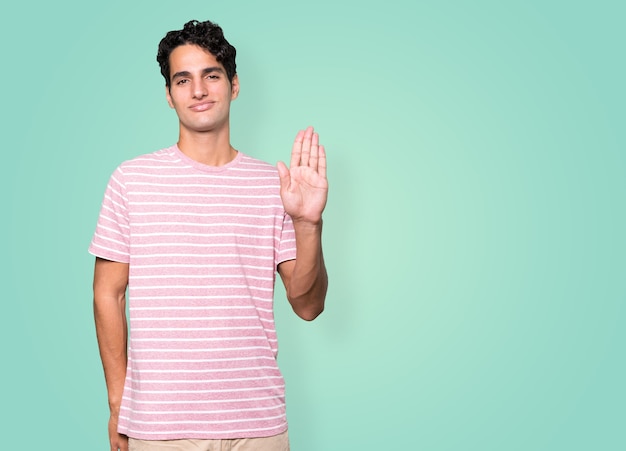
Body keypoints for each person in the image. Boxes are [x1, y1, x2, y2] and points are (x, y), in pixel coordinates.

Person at [90, 19, 328, 451]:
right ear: (169, 95)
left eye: (211, 75)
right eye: (183, 80)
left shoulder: (274, 185)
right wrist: (117, 402)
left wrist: (308, 224)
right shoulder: (131, 180)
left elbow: (308, 305)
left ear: (234, 86)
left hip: (257, 423)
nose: (198, 90)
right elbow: (108, 294)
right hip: (159, 426)